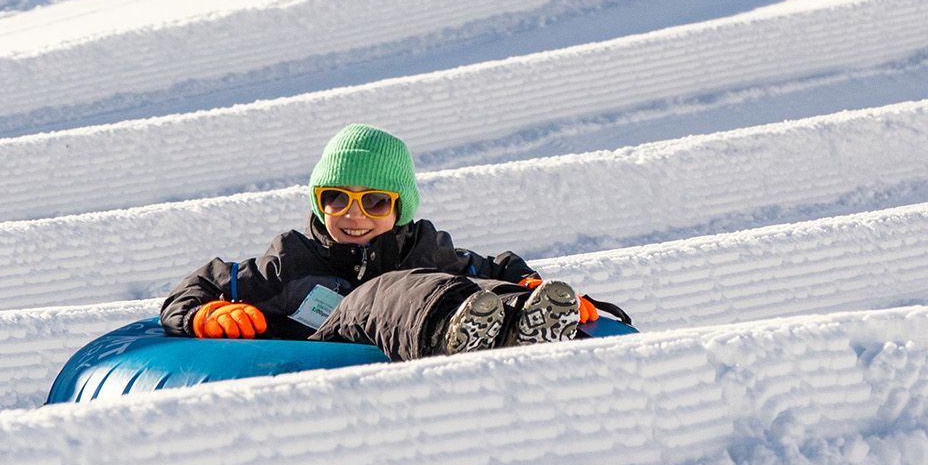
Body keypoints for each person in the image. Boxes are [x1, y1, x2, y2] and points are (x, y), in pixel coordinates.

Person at [158, 123, 605, 361]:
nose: (354, 215)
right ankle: (453, 331)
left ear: (400, 209)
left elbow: (496, 267)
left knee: (471, 287)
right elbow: (196, 287)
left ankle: (528, 324)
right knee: (384, 292)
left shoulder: (428, 250)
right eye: (336, 199)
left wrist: (529, 286)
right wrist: (206, 312)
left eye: (374, 201)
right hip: (329, 351)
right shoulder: (290, 262)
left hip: (427, 311)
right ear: (319, 204)